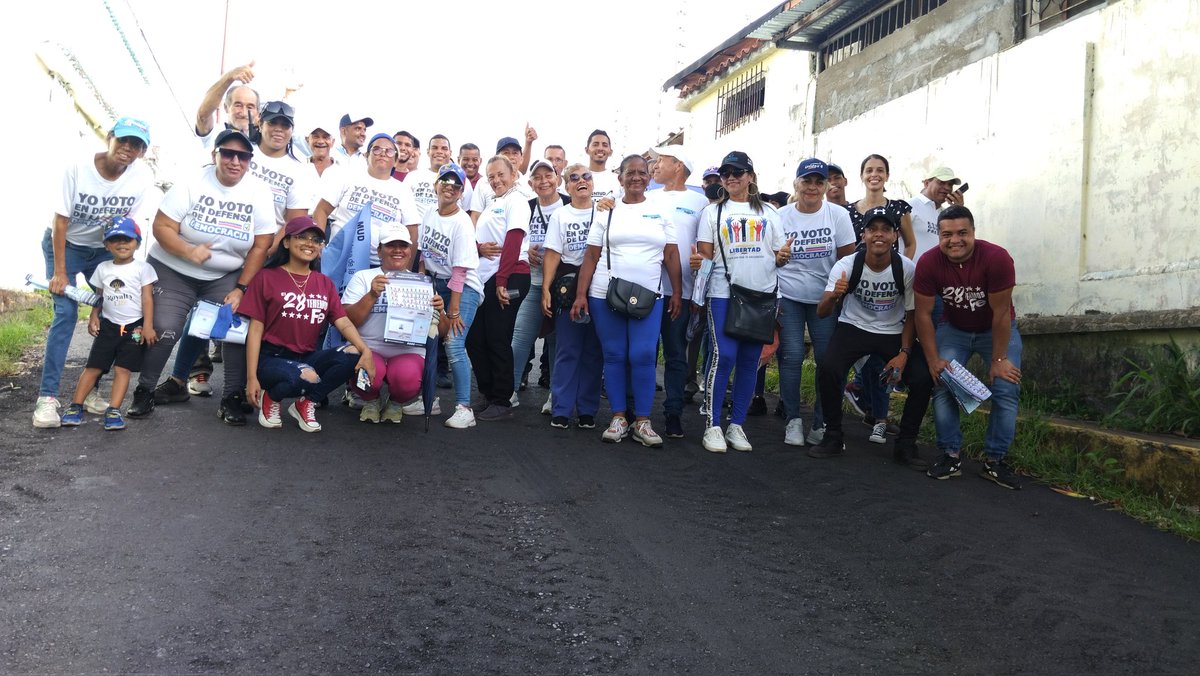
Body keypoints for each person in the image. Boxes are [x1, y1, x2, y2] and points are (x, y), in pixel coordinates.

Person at [153, 101, 315, 405]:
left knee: (248, 323)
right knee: (206, 314)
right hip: (228, 249)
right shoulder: (238, 149)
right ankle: (179, 377)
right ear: (261, 124)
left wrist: (265, 250)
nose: (279, 130)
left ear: (292, 131)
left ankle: (243, 389)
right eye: (272, 123)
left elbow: (294, 221)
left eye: (285, 125)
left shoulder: (299, 171)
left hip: (267, 253)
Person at [128, 129, 276, 423]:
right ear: (215, 155)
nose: (235, 161)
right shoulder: (192, 182)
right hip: (175, 268)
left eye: (243, 156)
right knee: (166, 327)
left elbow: (262, 245)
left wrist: (242, 288)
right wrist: (187, 251)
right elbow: (161, 227)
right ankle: (143, 391)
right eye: (228, 154)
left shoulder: (259, 192)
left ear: (249, 161)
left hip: (224, 274)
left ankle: (231, 398)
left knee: (233, 328)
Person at [34, 116, 156, 429]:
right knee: (65, 312)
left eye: (137, 145)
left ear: (142, 151)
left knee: (113, 314)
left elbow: (130, 228)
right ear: (109, 137)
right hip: (66, 244)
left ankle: (92, 391)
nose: (128, 149)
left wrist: (130, 273)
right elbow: (60, 221)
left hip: (104, 249)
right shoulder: (78, 168)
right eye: (124, 140)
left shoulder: (142, 178)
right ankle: (47, 399)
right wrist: (61, 273)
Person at [806, 207, 932, 470]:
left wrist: (904, 353)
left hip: (892, 331)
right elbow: (822, 311)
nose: (879, 235)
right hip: (853, 327)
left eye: (885, 230)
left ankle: (906, 445)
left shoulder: (905, 268)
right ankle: (833, 436)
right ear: (863, 235)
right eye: (872, 229)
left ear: (895, 236)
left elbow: (912, 315)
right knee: (829, 369)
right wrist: (833, 295)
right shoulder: (847, 265)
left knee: (921, 378)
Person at [572, 155, 683, 447]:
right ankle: (619, 417)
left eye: (642, 172)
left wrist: (678, 293)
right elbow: (591, 256)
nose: (636, 177)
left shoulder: (661, 210)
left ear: (650, 176)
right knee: (615, 355)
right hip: (604, 293)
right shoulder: (606, 210)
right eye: (629, 173)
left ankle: (643, 421)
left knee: (644, 355)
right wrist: (581, 294)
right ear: (619, 178)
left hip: (650, 295)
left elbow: (671, 254)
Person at [914, 205, 1023, 489]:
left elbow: (1000, 314)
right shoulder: (928, 262)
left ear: (973, 232)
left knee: (1006, 388)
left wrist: (999, 359)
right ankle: (950, 454)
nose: (955, 240)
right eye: (947, 234)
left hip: (996, 329)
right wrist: (933, 359)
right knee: (942, 383)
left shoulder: (997, 258)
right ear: (939, 236)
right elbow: (923, 314)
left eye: (962, 233)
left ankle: (995, 461)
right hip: (955, 329)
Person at [242, 217, 375, 432]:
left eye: (315, 240)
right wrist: (251, 378)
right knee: (305, 375)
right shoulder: (266, 277)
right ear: (286, 242)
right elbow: (255, 330)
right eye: (301, 237)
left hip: (306, 356)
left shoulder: (324, 282)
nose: (309, 243)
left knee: (353, 353)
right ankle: (272, 398)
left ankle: (307, 403)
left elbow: (343, 322)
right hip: (271, 358)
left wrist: (365, 350)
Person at [696, 151, 787, 454]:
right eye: (726, 173)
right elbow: (706, 254)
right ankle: (712, 423)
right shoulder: (713, 212)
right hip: (724, 292)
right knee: (724, 356)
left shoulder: (771, 213)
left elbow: (779, 255)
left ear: (750, 175)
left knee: (751, 361)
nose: (731, 177)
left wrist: (783, 257)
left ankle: (737, 424)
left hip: (762, 294)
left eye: (737, 172)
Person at [776, 159, 857, 446]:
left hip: (824, 298)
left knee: (826, 361)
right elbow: (771, 258)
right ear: (796, 184)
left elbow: (848, 258)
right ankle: (793, 420)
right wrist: (779, 257)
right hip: (789, 296)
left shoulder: (837, 215)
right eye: (806, 181)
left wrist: (838, 295)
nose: (812, 187)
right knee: (792, 357)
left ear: (826, 186)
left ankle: (820, 423)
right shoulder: (781, 216)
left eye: (818, 182)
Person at [58, 217, 157, 431]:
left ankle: (113, 410)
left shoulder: (144, 269)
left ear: (137, 243)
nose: (122, 244)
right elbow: (99, 297)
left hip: (135, 329)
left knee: (123, 370)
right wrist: (95, 316)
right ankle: (76, 406)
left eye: (128, 239)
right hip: (109, 326)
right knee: (93, 367)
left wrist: (148, 326)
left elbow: (147, 299)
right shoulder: (103, 268)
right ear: (106, 245)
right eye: (115, 240)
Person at [843, 154, 917, 438]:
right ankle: (867, 407)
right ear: (862, 175)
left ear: (887, 175)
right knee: (859, 355)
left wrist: (898, 270)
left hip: (892, 293)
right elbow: (849, 249)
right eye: (869, 170)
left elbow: (910, 244)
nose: (875, 174)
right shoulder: (849, 211)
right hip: (860, 292)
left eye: (880, 170)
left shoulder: (898, 208)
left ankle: (879, 416)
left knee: (882, 357)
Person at [342, 222, 446, 423]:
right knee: (366, 377)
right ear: (379, 250)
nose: (398, 250)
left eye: (403, 246)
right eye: (391, 245)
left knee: (406, 380)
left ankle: (396, 403)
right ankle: (370, 400)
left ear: (410, 251)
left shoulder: (421, 283)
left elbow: (441, 332)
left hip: (408, 351)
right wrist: (372, 294)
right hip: (369, 348)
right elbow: (347, 320)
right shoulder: (363, 277)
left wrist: (440, 312)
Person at [412, 163, 483, 428]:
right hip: (433, 283)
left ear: (462, 192)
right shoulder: (430, 211)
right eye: (445, 181)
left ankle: (464, 407)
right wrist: (421, 287)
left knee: (453, 342)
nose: (449, 187)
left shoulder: (462, 223)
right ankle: (429, 398)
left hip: (462, 289)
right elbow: (423, 256)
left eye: (455, 184)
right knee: (426, 339)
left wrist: (453, 312)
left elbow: (460, 272)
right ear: (436, 185)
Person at [648, 145, 709, 439]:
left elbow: (707, 246)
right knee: (645, 353)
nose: (655, 165)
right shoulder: (647, 197)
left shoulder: (699, 203)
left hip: (681, 292)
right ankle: (640, 412)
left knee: (675, 355)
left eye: (662, 160)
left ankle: (673, 413)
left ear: (679, 166)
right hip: (646, 289)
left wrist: (701, 262)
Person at [466, 155, 533, 421]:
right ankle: (488, 392)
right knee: (475, 338)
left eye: (500, 175)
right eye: (491, 176)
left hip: (511, 276)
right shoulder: (495, 202)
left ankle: (503, 399)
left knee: (497, 336)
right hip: (487, 279)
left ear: (514, 173)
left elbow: (514, 241)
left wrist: (503, 282)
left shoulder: (517, 200)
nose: (496, 180)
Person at [541, 163, 601, 429]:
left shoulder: (605, 212)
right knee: (568, 348)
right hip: (567, 285)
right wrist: (546, 288)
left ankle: (587, 409)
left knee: (593, 350)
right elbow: (553, 253)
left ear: (593, 182)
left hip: (599, 285)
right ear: (566, 186)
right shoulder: (560, 216)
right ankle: (561, 408)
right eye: (574, 178)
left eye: (586, 176)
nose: (581, 181)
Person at [511, 159, 567, 411]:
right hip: (533, 282)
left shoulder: (569, 204)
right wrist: (526, 252)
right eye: (538, 177)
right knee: (521, 338)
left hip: (562, 286)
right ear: (531, 183)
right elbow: (513, 239)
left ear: (558, 178)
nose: (544, 181)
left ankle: (556, 397)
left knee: (558, 343)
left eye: (549, 175)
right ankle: (508, 391)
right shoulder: (526, 207)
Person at [314, 133, 420, 249]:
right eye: (377, 149)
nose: (383, 154)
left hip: (378, 263)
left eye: (389, 151)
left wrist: (406, 267)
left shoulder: (403, 190)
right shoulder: (347, 177)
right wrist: (319, 244)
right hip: (339, 256)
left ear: (395, 161)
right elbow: (321, 210)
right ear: (367, 156)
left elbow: (412, 231)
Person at [468, 137, 534, 223]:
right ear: (497, 157)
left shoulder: (529, 184)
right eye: (506, 153)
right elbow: (476, 216)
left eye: (515, 153)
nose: (511, 157)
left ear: (521, 158)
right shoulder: (483, 183)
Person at [907, 165, 964, 261]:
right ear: (926, 183)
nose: (947, 188)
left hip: (936, 274)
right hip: (910, 274)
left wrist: (958, 210)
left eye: (950, 184)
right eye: (941, 182)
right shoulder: (909, 206)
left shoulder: (945, 214)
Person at [194, 61, 258, 147]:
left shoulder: (264, 145)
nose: (243, 113)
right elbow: (202, 116)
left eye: (250, 107)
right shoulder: (214, 135)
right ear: (226, 107)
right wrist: (229, 77)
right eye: (238, 105)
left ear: (257, 112)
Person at [403, 134, 453, 221]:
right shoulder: (412, 176)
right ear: (428, 151)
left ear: (450, 153)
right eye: (435, 148)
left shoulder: (461, 181)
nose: (439, 151)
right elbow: (402, 206)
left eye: (444, 148)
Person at [584, 130, 620, 202]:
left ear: (610, 152)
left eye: (605, 145)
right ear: (587, 150)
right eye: (595, 144)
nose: (600, 148)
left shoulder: (619, 180)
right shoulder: (576, 179)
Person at [457, 143, 483, 211]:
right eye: (466, 159)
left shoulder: (485, 184)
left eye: (474, 160)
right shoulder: (452, 182)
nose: (470, 163)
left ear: (480, 161)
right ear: (458, 160)